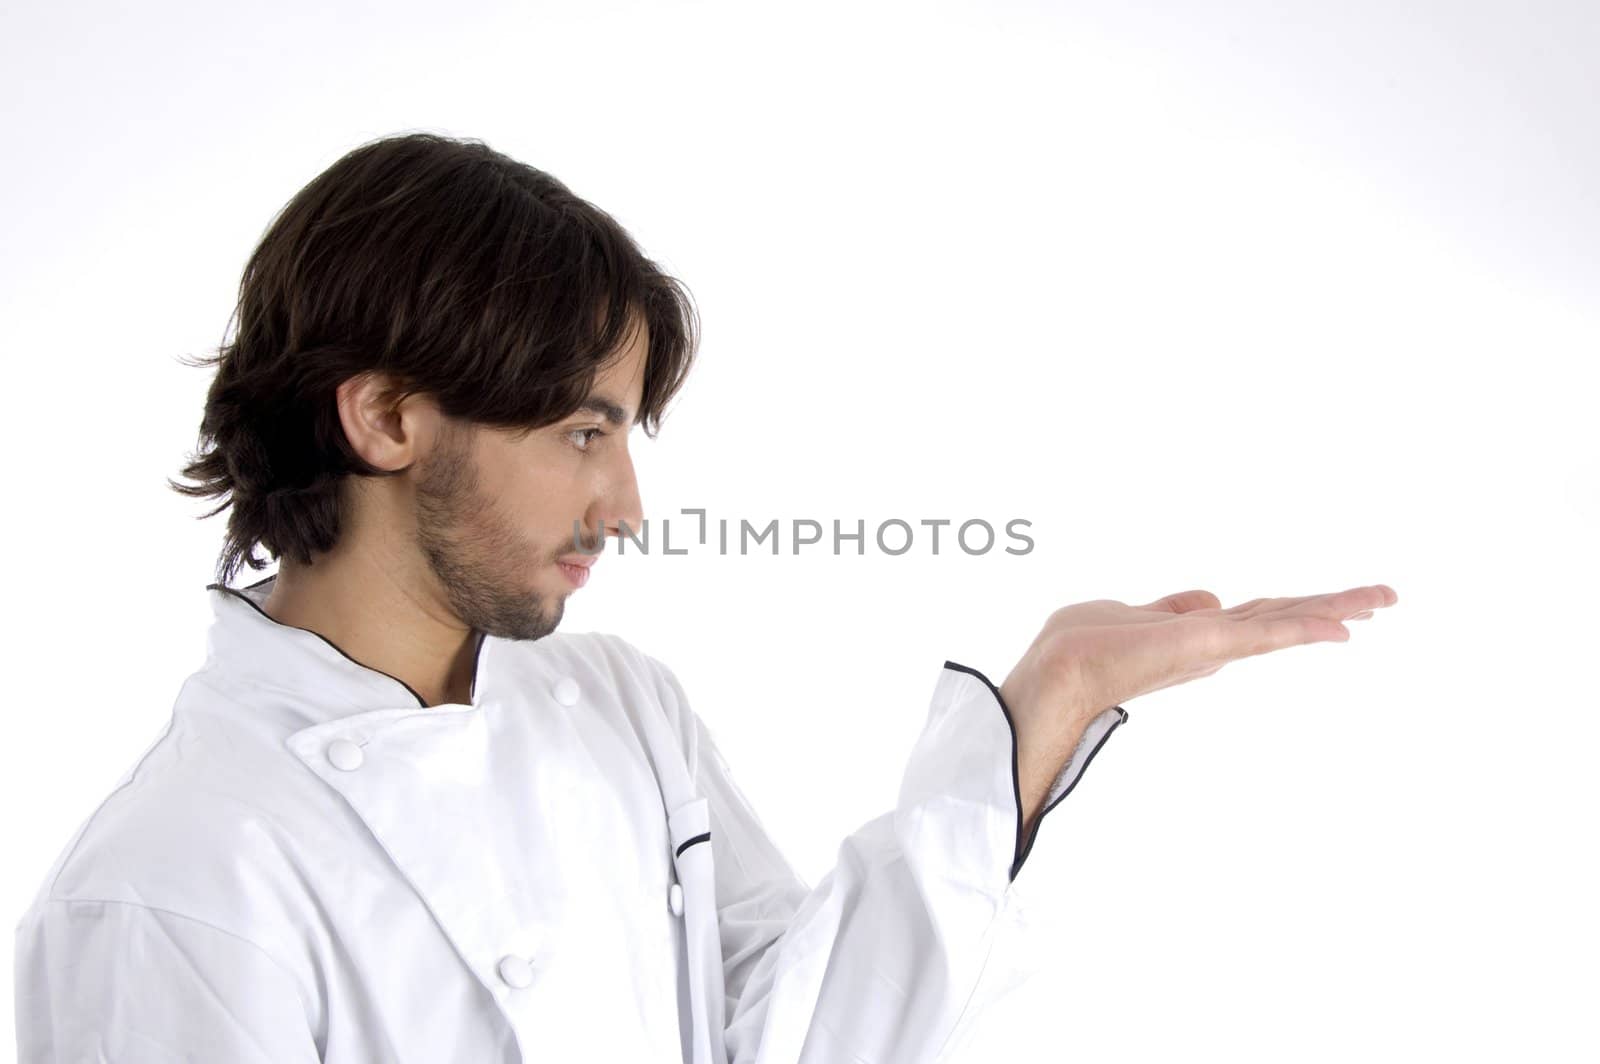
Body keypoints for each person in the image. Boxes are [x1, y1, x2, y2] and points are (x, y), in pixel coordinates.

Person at [12, 132, 1398, 1063]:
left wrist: (1047, 708)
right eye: (581, 433)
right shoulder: (173, 885)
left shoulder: (616, 705)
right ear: (386, 419)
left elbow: (793, 1040)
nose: (624, 510)